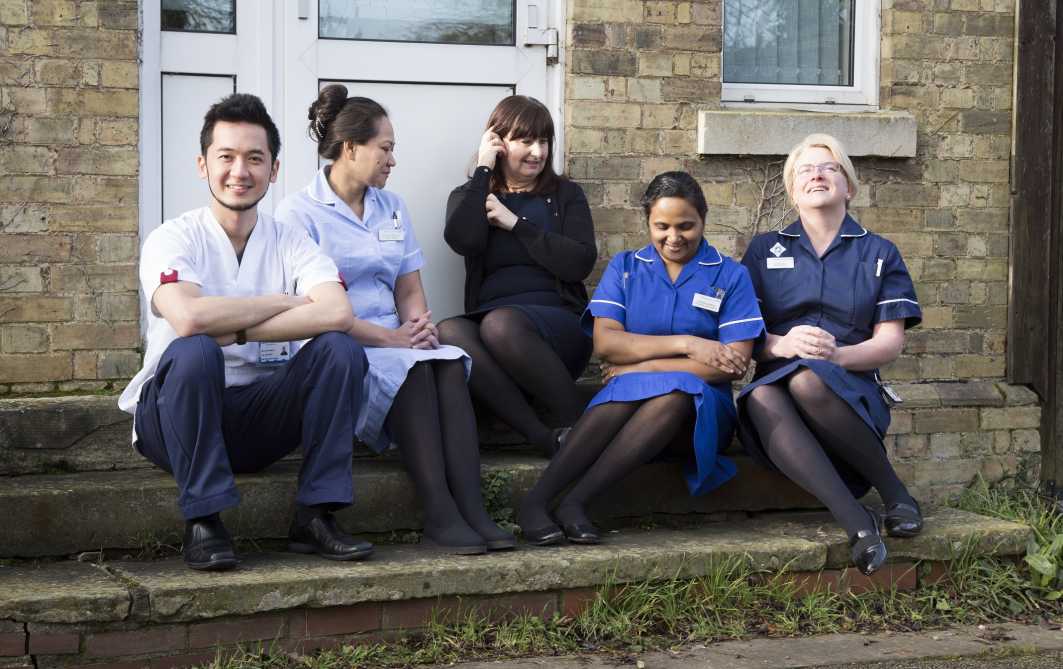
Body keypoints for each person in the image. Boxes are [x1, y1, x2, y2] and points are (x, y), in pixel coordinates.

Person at [118, 93, 372, 572]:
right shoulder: (173, 237)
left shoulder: (291, 240)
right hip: (172, 417)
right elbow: (188, 319)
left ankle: (317, 515)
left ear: (273, 170)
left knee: (340, 349)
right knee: (195, 350)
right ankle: (204, 521)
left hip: (257, 415)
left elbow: (338, 312)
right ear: (203, 165)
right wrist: (283, 301)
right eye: (226, 157)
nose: (240, 171)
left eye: (255, 158)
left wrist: (234, 331)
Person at [275, 84, 516, 555]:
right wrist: (394, 341)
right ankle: (440, 514)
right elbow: (312, 310)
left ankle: (473, 510)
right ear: (351, 149)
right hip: (339, 346)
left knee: (448, 360)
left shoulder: (393, 206)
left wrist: (418, 328)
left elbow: (407, 288)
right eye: (384, 149)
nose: (392, 160)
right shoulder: (298, 213)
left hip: (396, 338)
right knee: (412, 368)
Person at [515, 172, 765, 545]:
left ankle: (576, 503)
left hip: (700, 417)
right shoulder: (625, 267)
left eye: (686, 226)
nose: (673, 237)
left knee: (676, 392)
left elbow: (733, 363)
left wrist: (641, 366)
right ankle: (535, 503)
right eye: (662, 226)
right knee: (634, 391)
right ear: (647, 221)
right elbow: (606, 344)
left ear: (703, 220)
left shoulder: (731, 275)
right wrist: (689, 344)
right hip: (633, 405)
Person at [737, 134, 923, 577]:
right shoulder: (763, 250)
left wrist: (837, 356)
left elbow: (889, 344)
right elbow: (742, 336)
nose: (817, 175)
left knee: (808, 379)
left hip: (851, 388)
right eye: (805, 169)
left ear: (849, 186)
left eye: (829, 167)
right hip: (776, 385)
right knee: (759, 394)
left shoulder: (880, 252)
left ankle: (894, 493)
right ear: (793, 190)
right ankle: (856, 520)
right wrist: (781, 345)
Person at [437, 96, 597, 458]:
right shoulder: (469, 196)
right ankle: (542, 437)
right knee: (448, 331)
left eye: (544, 141)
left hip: (558, 330)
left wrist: (516, 224)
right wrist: (483, 169)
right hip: (495, 338)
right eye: (525, 141)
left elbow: (579, 264)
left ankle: (589, 427)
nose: (537, 152)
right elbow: (464, 241)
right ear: (497, 142)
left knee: (500, 324)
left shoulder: (566, 195)